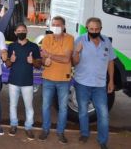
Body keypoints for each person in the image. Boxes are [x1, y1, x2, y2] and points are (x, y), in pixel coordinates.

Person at [72, 17, 115, 149]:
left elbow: (110, 61)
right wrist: (77, 52)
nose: (94, 31)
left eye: (97, 29)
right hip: (82, 83)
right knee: (83, 111)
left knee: (103, 113)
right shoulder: (80, 40)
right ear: (87, 28)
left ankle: (102, 140)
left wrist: (111, 80)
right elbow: (74, 62)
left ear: (100, 29)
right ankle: (85, 133)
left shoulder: (106, 41)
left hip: (100, 85)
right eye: (91, 29)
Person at [38, 16, 74, 144]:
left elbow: (66, 59)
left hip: (63, 79)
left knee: (63, 108)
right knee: (45, 106)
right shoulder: (47, 38)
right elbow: (42, 59)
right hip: (48, 78)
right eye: (53, 24)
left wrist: (49, 55)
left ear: (63, 26)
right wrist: (45, 60)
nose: (56, 27)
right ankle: (45, 130)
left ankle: (60, 132)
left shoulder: (70, 38)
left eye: (58, 25)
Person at [4, 23, 42, 140]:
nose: (21, 32)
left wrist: (33, 61)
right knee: (13, 105)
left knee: (29, 106)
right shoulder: (11, 47)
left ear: (26, 32)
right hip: (13, 81)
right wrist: (11, 60)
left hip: (27, 82)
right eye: (19, 30)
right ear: (15, 33)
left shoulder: (34, 46)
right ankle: (13, 125)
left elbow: (39, 65)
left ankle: (28, 127)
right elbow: (8, 64)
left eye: (23, 30)